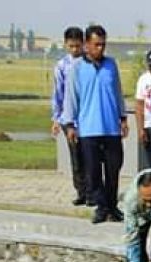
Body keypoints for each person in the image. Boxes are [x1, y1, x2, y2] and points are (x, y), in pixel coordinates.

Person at [63, 25, 128, 224]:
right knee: (92, 171)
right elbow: (71, 97)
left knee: (113, 168)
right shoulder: (77, 68)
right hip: (88, 128)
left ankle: (112, 206)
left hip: (110, 127)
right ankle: (101, 206)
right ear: (87, 45)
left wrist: (122, 117)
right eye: (96, 44)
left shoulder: (111, 65)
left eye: (103, 44)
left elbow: (117, 91)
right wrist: (70, 124)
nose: (100, 48)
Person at [51, 26, 89, 207]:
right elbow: (58, 93)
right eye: (71, 46)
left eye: (78, 46)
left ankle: (93, 190)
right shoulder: (61, 66)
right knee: (76, 156)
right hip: (70, 118)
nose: (75, 50)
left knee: (91, 155)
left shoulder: (88, 63)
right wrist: (56, 119)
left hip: (87, 115)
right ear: (66, 45)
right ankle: (81, 191)